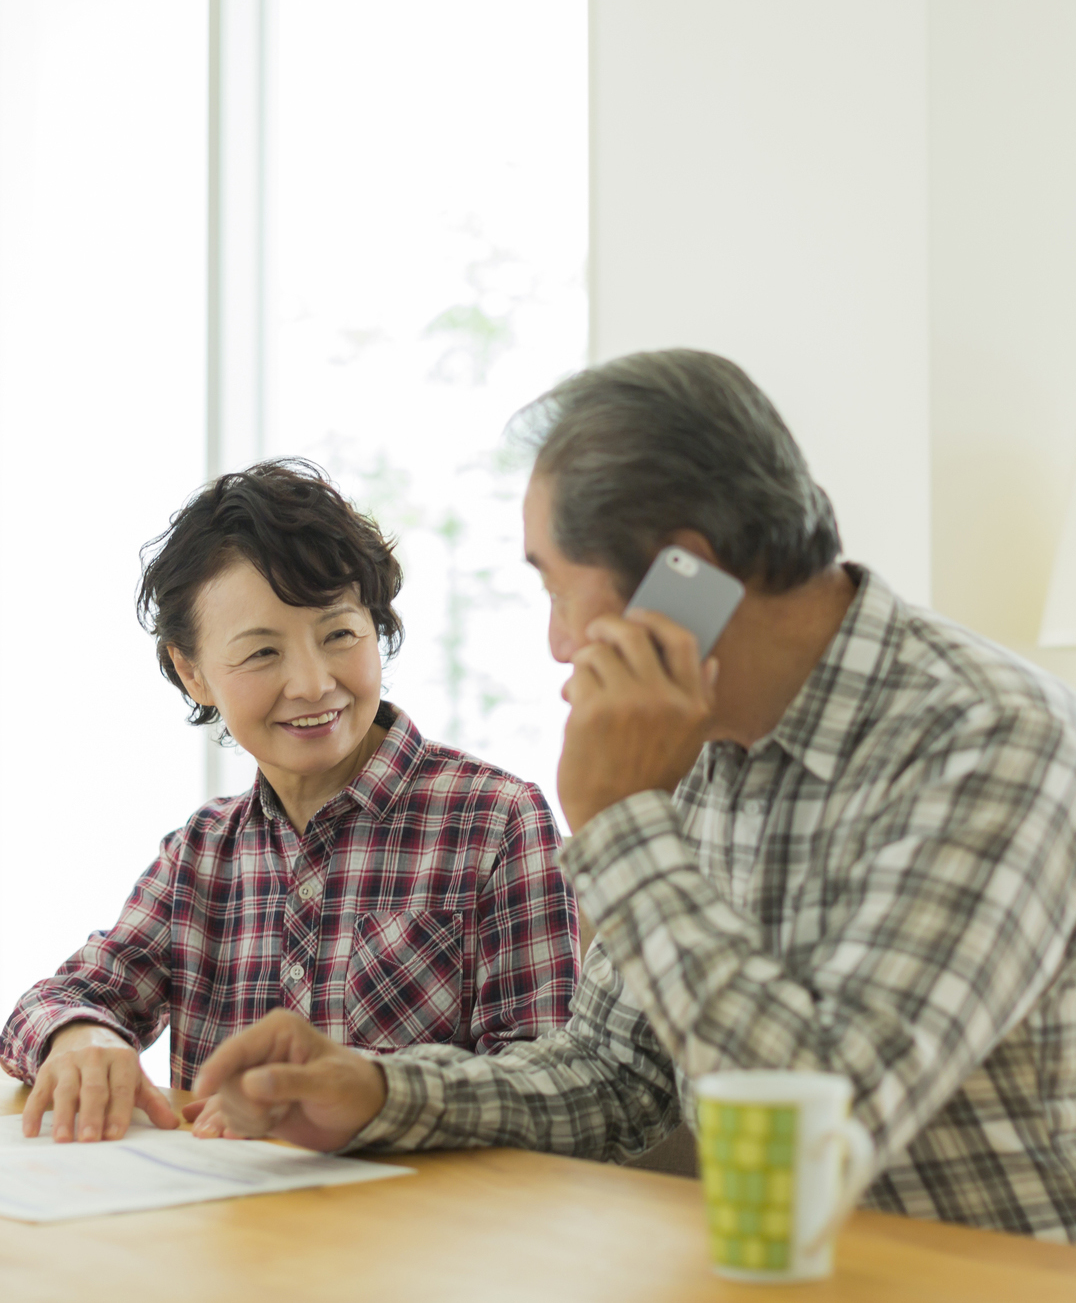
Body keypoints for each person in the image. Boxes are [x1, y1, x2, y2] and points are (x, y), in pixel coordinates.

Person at [194, 351, 1076, 1241]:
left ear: (680, 577)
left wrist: (620, 824)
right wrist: (380, 1093)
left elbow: (819, 1118)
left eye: (555, 586)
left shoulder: (991, 737)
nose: (557, 642)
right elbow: (618, 1074)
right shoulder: (690, 732)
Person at [0, 460, 577, 1143]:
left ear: (378, 624)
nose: (310, 683)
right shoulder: (202, 852)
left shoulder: (496, 821)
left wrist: (380, 1102)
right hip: (228, 1226)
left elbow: (554, 1089)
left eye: (339, 634)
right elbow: (61, 998)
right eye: (262, 653)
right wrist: (82, 1039)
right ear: (192, 672)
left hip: (425, 1227)